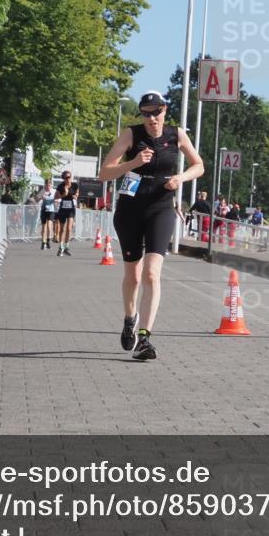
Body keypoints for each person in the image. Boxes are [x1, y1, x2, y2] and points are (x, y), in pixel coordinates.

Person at [100, 90, 203, 360]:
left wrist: (180, 178)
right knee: (133, 276)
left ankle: (145, 338)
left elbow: (199, 165)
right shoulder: (131, 134)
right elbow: (104, 172)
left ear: (164, 110)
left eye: (156, 112)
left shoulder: (176, 134)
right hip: (130, 211)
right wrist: (133, 162)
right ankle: (129, 318)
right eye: (146, 113)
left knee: (152, 274)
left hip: (161, 209)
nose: (151, 118)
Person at [54, 180, 78, 257]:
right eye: (66, 177)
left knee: (69, 229)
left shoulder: (74, 185)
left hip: (71, 209)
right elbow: (56, 196)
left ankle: (66, 247)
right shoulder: (60, 186)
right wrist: (64, 194)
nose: (68, 179)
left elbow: (77, 195)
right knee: (62, 229)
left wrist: (74, 196)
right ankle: (61, 247)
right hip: (63, 209)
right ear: (64, 178)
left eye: (69, 177)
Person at [36, 179, 57, 249]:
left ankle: (48, 241)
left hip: (51, 210)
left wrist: (55, 200)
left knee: (49, 226)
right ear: (45, 185)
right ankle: (43, 242)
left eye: (49, 185)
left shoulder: (54, 191)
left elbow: (58, 199)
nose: (48, 187)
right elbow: (37, 199)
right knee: (44, 227)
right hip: (44, 210)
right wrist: (41, 198)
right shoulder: (42, 191)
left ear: (51, 185)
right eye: (47, 185)